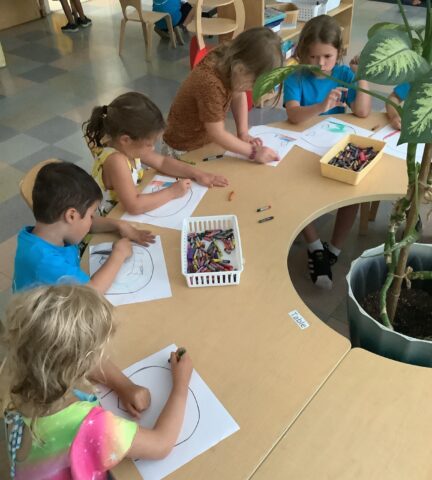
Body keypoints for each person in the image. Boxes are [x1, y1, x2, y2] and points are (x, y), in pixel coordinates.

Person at [2, 284, 193, 480]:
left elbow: (71, 358)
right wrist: (181, 384)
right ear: (80, 363)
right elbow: (161, 445)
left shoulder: (25, 383)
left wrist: (124, 386)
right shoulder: (90, 426)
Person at [283, 15, 372, 288]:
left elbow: (363, 111)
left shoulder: (344, 74)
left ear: (339, 53)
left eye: (327, 57)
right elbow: (295, 115)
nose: (320, 64)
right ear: (302, 54)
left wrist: (362, 76)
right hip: (301, 146)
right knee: (294, 188)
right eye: (312, 57)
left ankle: (333, 250)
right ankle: (314, 246)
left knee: (353, 192)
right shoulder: (295, 76)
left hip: (332, 147)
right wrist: (321, 106)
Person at [13, 162, 155, 294]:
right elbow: (92, 292)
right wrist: (119, 254)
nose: (92, 220)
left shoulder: (50, 231)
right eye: (91, 214)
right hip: (46, 318)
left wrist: (119, 225)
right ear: (72, 216)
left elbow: (86, 225)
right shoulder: (45, 261)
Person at [84, 92, 228, 217]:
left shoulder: (129, 149)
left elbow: (162, 162)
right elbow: (134, 205)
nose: (152, 148)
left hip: (124, 214)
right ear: (126, 140)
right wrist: (172, 192)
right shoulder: (116, 161)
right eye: (148, 144)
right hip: (109, 220)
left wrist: (197, 174)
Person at [162, 27, 283, 164]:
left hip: (204, 142)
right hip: (182, 149)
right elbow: (217, 133)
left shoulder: (232, 60)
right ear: (241, 69)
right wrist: (254, 152)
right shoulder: (210, 83)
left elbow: (238, 94)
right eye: (254, 83)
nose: (252, 89)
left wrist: (243, 133)